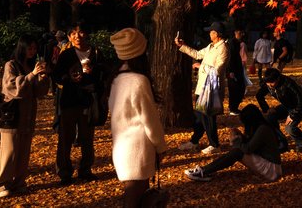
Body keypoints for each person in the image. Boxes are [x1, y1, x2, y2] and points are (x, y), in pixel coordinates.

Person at [109, 28, 167, 207]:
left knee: (134, 198)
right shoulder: (139, 81)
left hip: (121, 148)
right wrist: (160, 146)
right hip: (138, 149)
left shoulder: (116, 80)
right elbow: (149, 120)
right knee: (135, 200)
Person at [0, 35, 51, 198]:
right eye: (29, 48)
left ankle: (18, 182)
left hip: (28, 116)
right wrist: (32, 75)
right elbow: (11, 88)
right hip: (12, 115)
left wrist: (43, 78)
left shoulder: (31, 65)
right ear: (22, 48)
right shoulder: (11, 65)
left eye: (34, 48)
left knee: (24, 151)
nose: (32, 51)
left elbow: (39, 92)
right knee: (9, 152)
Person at [53, 22, 107, 184]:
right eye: (73, 33)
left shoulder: (96, 53)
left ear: (87, 34)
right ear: (69, 37)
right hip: (69, 100)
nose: (77, 36)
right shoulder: (66, 54)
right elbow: (56, 76)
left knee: (87, 137)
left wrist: (94, 71)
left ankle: (85, 170)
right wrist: (69, 78)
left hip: (88, 101)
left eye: (80, 32)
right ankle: (64, 173)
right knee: (65, 138)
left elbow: (105, 75)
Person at [184, 104, 282, 182]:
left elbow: (247, 149)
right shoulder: (259, 127)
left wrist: (236, 141)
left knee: (237, 152)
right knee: (236, 152)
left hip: (272, 169)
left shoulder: (263, 129)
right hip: (267, 163)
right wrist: (240, 136)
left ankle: (203, 171)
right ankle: (205, 170)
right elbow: (251, 145)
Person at [175, 21, 229, 155]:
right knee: (200, 116)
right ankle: (194, 142)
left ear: (216, 34)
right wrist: (183, 46)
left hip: (212, 89)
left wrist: (201, 67)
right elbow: (197, 54)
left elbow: (218, 70)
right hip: (203, 87)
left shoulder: (223, 49)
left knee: (208, 117)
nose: (209, 34)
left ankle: (214, 144)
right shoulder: (211, 46)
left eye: (211, 32)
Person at [256, 68, 302, 152]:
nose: (270, 85)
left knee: (289, 128)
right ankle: (280, 142)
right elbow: (259, 95)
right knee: (269, 118)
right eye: (268, 83)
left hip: (298, 107)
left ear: (278, 78)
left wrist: (293, 115)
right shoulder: (268, 84)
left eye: (272, 82)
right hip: (286, 106)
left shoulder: (289, 84)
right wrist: (267, 109)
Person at [227, 30, 247, 116]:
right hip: (233, 70)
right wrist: (230, 71)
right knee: (234, 89)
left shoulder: (237, 43)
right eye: (240, 32)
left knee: (240, 88)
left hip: (238, 69)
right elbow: (230, 57)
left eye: (242, 32)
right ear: (235, 33)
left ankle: (234, 107)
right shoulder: (231, 43)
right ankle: (232, 108)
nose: (242, 34)